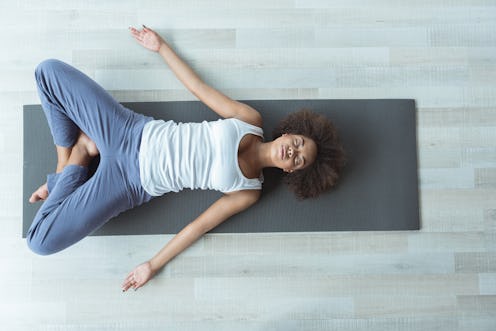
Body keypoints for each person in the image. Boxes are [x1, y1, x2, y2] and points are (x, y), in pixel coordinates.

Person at [27, 25, 345, 291]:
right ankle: (67, 164)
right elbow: (197, 87)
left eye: (300, 159)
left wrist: (152, 264)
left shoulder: (249, 190)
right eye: (300, 143)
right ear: (291, 132)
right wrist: (161, 47)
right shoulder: (250, 119)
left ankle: (78, 155)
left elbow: (197, 227)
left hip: (129, 184)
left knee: (39, 242)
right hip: (128, 130)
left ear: (292, 171)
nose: (295, 151)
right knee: (47, 72)